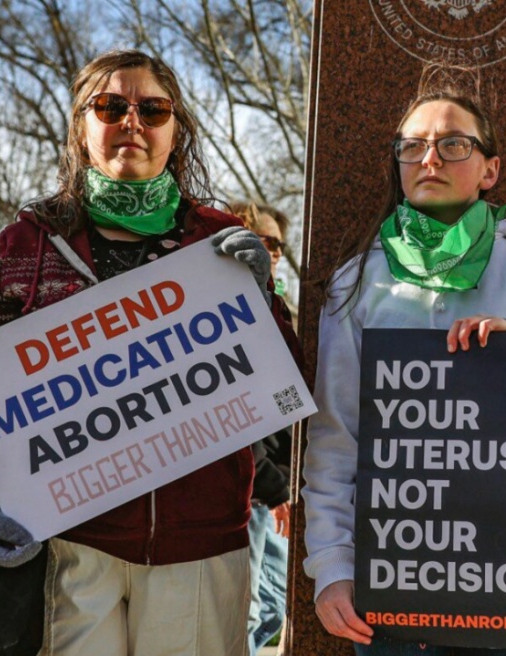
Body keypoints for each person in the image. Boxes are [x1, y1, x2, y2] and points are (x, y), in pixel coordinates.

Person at [0, 49, 302, 656]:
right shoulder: (25, 245)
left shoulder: (216, 240)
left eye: (152, 109)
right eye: (110, 106)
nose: (132, 121)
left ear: (174, 131)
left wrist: (264, 298)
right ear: (81, 128)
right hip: (71, 546)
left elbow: (286, 387)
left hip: (204, 548)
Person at [301, 68, 506, 656]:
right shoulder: (356, 281)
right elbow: (335, 436)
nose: (429, 157)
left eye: (453, 143)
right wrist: (332, 566)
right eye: (412, 146)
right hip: (394, 579)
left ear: (489, 169)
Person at [229, 201, 294, 655]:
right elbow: (231, 416)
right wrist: (272, 487)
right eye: (265, 242)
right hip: (250, 491)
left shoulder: (277, 308)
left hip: (275, 489)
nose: (273, 253)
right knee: (249, 611)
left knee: (270, 605)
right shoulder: (226, 311)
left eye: (279, 246)